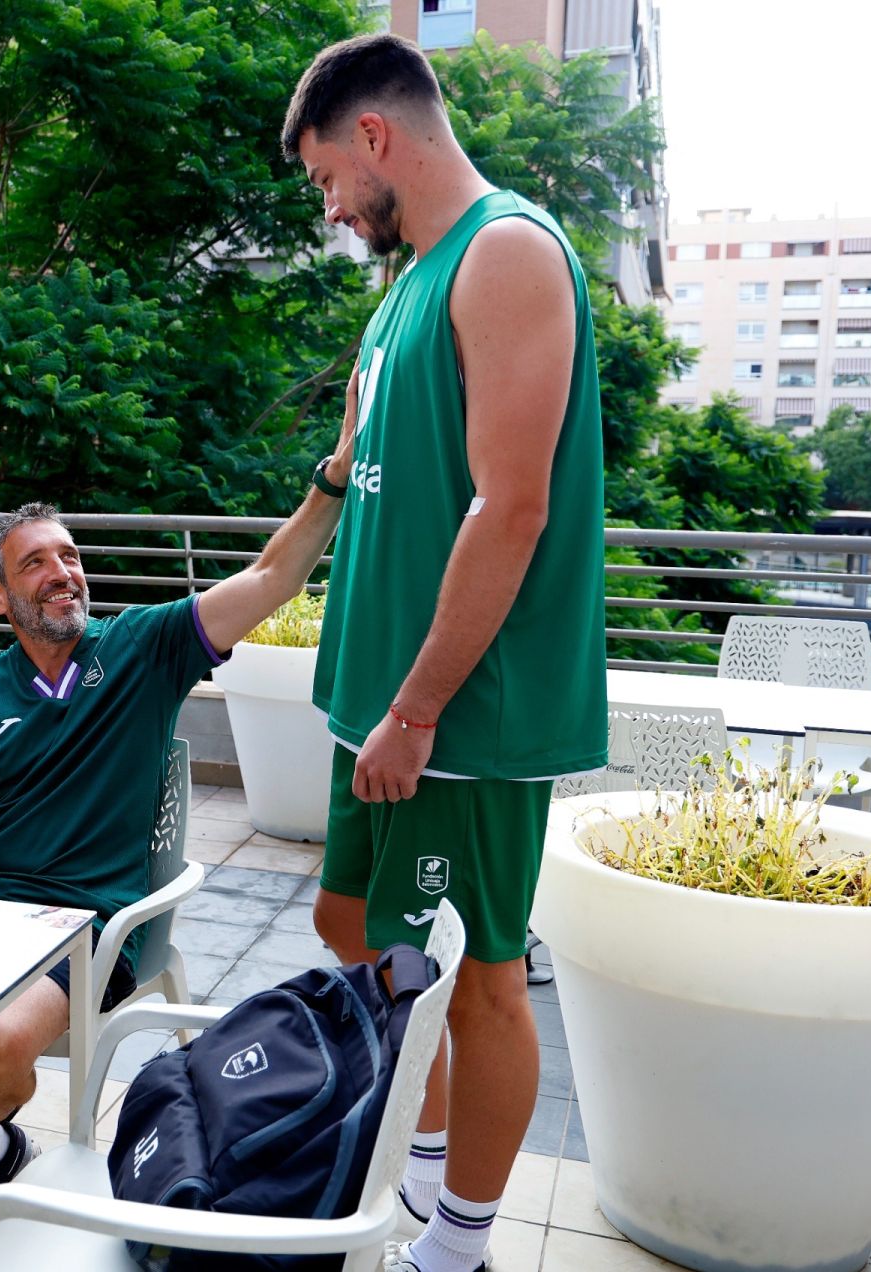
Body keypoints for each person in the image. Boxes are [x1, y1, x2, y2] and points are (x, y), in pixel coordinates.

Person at [282, 33, 607, 1272]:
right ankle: (422, 1161)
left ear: (376, 138)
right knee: (351, 923)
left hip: (461, 718)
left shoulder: (507, 253)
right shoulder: (411, 280)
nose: (329, 206)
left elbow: (509, 507)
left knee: (479, 977)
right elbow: (384, 480)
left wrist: (417, 708)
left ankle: (460, 1242)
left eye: (328, 179)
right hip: (378, 701)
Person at [0, 479, 350, 1256]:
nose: (63, 571)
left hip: (84, 928)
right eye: (35, 562)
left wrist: (332, 481)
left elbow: (274, 578)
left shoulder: (146, 645)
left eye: (70, 554)